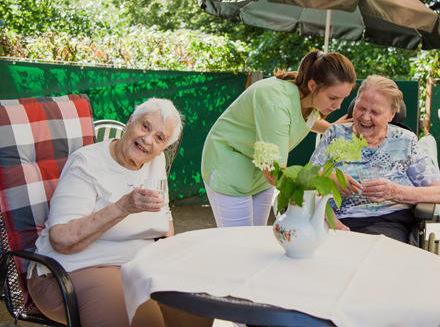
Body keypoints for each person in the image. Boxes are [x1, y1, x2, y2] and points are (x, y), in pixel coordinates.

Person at [27, 98, 212, 327]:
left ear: (163, 147)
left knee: (197, 309)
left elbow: (165, 221)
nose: (147, 139)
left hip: (136, 265)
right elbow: (61, 239)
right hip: (73, 269)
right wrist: (123, 207)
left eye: (159, 137)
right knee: (144, 321)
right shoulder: (86, 164)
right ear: (130, 121)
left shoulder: (155, 161)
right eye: (145, 126)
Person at [201, 49, 358, 227]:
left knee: (258, 238)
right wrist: (327, 177)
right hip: (229, 168)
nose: (338, 106)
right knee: (240, 244)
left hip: (260, 174)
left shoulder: (308, 98)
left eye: (342, 99)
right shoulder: (276, 103)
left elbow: (300, 119)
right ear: (313, 85)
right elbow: (275, 173)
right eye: (333, 98)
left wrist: (330, 128)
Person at [311, 75, 440, 243]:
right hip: (333, 221)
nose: (365, 117)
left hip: (385, 221)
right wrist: (328, 178)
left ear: (391, 115)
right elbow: (306, 180)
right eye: (361, 108)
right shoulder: (335, 134)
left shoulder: (406, 141)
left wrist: (395, 192)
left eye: (375, 112)